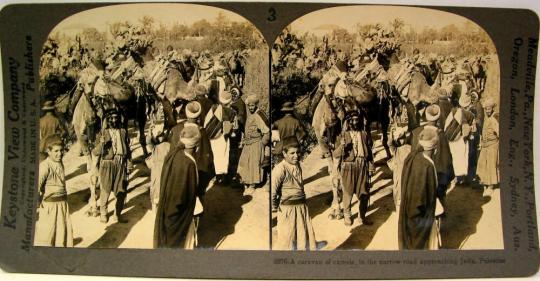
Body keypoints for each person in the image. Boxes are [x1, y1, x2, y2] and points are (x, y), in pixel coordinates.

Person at [154, 126, 203, 249]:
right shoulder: (189, 164)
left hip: (168, 210)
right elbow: (182, 195)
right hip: (178, 214)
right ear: (196, 146)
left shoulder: (175, 155)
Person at [398, 127, 442, 250]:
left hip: (411, 213)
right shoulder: (426, 166)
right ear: (434, 148)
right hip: (418, 217)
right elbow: (419, 200)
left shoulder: (415, 157)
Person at [272, 136, 318, 250]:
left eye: (297, 152)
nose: (296, 156)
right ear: (284, 153)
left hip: (302, 208)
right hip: (287, 210)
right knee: (287, 243)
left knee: (303, 241)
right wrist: (276, 207)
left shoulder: (297, 165)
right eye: (292, 153)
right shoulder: (280, 169)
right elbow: (272, 192)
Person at [333, 110, 374, 226]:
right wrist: (342, 145)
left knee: (364, 193)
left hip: (362, 165)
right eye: (353, 120)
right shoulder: (342, 136)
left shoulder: (364, 134)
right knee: (348, 192)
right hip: (348, 167)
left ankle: (362, 216)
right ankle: (347, 214)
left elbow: (370, 152)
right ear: (349, 122)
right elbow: (335, 154)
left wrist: (371, 166)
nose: (355, 122)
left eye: (357, 119)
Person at [169, 101, 215, 196]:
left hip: (180, 172)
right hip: (198, 172)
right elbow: (208, 156)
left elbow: (172, 153)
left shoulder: (176, 130)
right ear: (198, 115)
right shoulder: (202, 132)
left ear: (186, 113)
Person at [35, 134, 73, 247]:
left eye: (61, 151)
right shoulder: (45, 166)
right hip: (49, 207)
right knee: (47, 238)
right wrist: (38, 203)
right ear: (48, 151)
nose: (59, 154)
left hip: (62, 205)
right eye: (56, 151)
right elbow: (36, 186)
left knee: (61, 237)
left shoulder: (60, 163)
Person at [93, 109, 130, 224]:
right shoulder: (102, 133)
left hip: (120, 163)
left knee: (121, 191)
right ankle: (103, 213)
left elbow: (128, 150)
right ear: (108, 120)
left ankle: (117, 214)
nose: (114, 120)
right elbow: (95, 152)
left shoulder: (123, 132)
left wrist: (129, 163)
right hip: (107, 164)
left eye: (116, 118)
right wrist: (102, 143)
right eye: (112, 118)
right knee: (105, 190)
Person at [237, 95, 270, 195]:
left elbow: (267, 132)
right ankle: (245, 183)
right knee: (244, 163)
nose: (251, 107)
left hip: (256, 143)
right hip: (248, 143)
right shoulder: (252, 114)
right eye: (249, 106)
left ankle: (252, 186)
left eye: (252, 105)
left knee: (253, 165)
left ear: (256, 105)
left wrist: (262, 145)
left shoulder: (258, 115)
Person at [204, 90, 236, 184]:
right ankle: (224, 177)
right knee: (224, 156)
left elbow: (207, 121)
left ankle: (217, 176)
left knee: (215, 156)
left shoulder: (214, 108)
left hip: (213, 136)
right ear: (230, 100)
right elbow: (234, 126)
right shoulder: (232, 112)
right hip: (224, 136)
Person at [444, 94, 475, 185]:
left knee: (455, 158)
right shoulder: (468, 114)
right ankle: (462, 178)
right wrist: (466, 137)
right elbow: (466, 130)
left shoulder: (453, 110)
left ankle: (457, 177)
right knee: (462, 158)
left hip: (451, 139)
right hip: (460, 140)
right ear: (468, 104)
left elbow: (446, 124)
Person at [476, 98, 499, 196]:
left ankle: (490, 186)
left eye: (489, 109)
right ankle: (484, 183)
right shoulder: (487, 118)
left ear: (492, 108)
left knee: (491, 165)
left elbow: (499, 132)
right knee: (482, 164)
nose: (487, 111)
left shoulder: (494, 119)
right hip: (485, 145)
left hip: (492, 145)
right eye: (485, 109)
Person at [145, 124, 170, 212]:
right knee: (156, 190)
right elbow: (148, 142)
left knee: (159, 190)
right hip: (157, 171)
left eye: (161, 135)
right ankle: (156, 210)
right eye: (158, 136)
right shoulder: (155, 147)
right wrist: (149, 132)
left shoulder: (167, 145)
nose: (160, 138)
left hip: (163, 171)